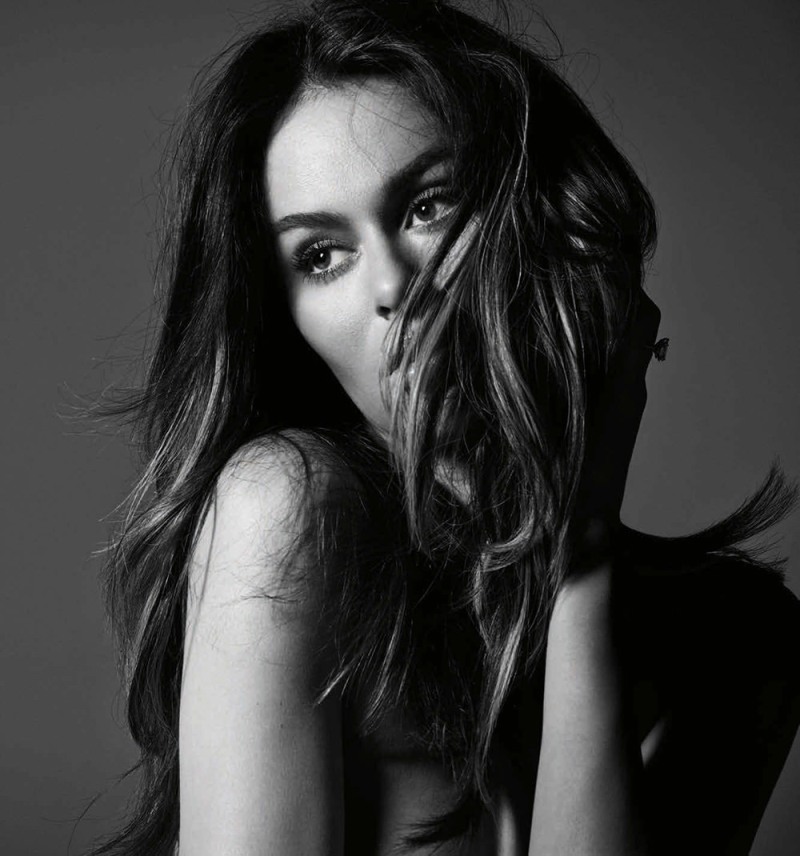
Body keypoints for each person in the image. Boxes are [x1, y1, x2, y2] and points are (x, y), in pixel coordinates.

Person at [92, 1, 800, 854]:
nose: (393, 287)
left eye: (428, 206)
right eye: (321, 256)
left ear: (544, 210)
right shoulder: (287, 512)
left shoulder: (741, 639)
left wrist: (579, 558)